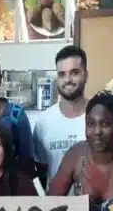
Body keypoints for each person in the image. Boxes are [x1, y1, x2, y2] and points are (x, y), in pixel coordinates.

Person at [33, 45, 88, 186]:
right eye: (62, 74)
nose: (67, 79)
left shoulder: (101, 119)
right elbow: (41, 169)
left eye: (74, 72)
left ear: (86, 75)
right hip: (56, 205)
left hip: (93, 206)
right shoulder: (43, 122)